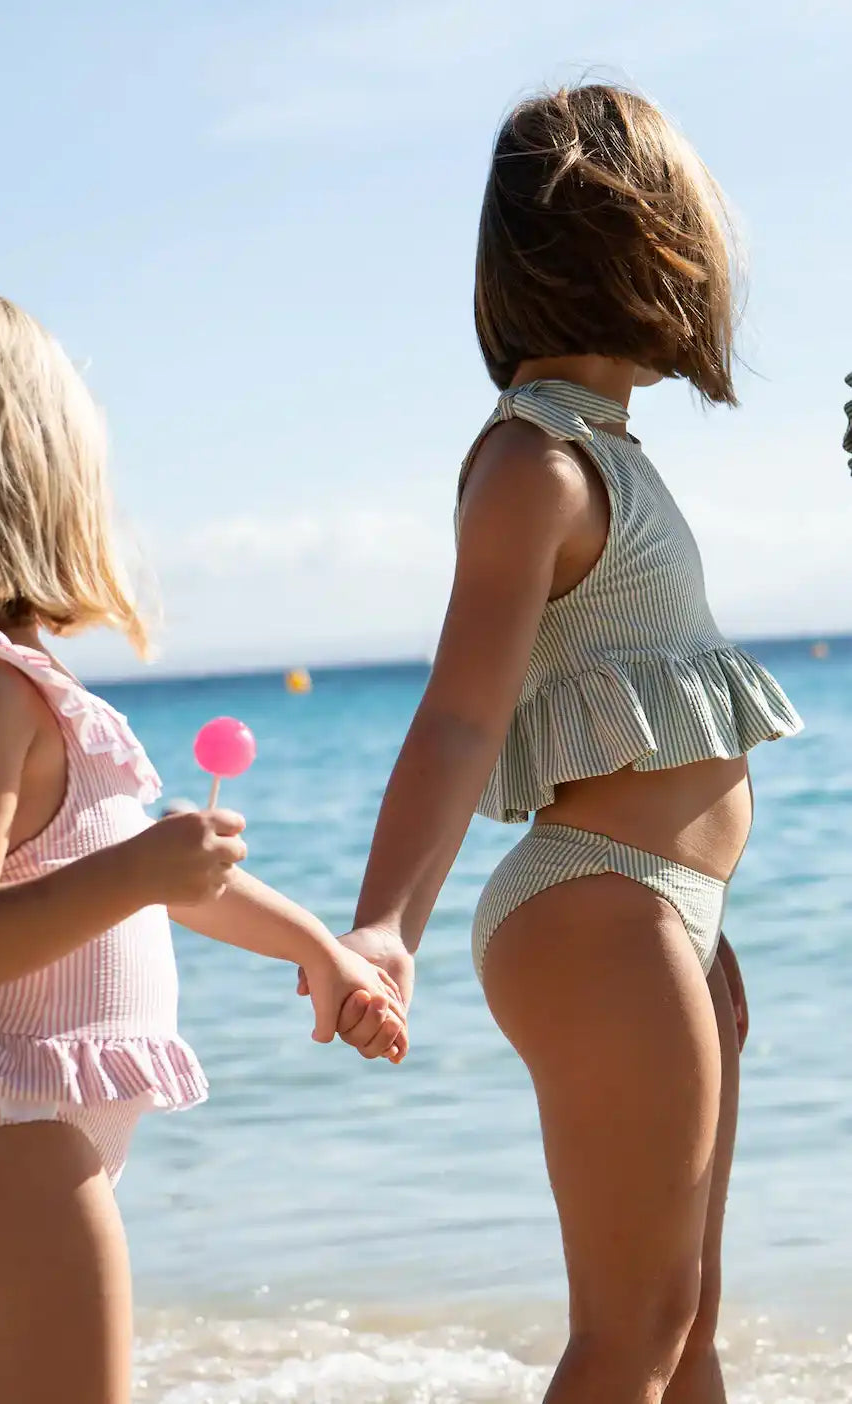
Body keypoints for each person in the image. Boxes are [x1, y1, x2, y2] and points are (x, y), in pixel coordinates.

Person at [0, 288, 407, 1404]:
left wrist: (317, 949)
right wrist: (134, 871)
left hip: (26, 1129)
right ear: (23, 475)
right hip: (4, 1129)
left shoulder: (20, 683)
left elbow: (167, 881)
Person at [318, 85, 802, 1403]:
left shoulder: (609, 454)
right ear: (633, 247)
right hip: (599, 914)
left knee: (682, 1330)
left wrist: (702, 929)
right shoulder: (532, 465)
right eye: (693, 244)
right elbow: (460, 714)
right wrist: (382, 930)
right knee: (629, 1332)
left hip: (658, 919)